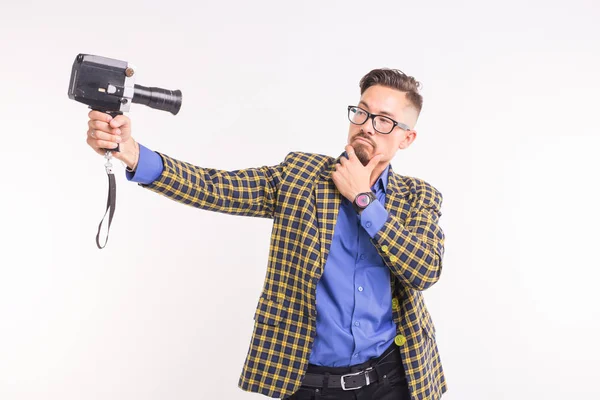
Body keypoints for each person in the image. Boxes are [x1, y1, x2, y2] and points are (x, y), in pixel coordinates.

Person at [86, 68, 447, 400]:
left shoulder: (418, 196)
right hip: (310, 384)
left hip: (393, 381)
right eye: (363, 113)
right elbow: (215, 188)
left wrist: (363, 199)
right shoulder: (300, 175)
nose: (367, 126)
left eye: (384, 120)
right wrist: (131, 153)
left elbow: (425, 269)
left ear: (407, 138)